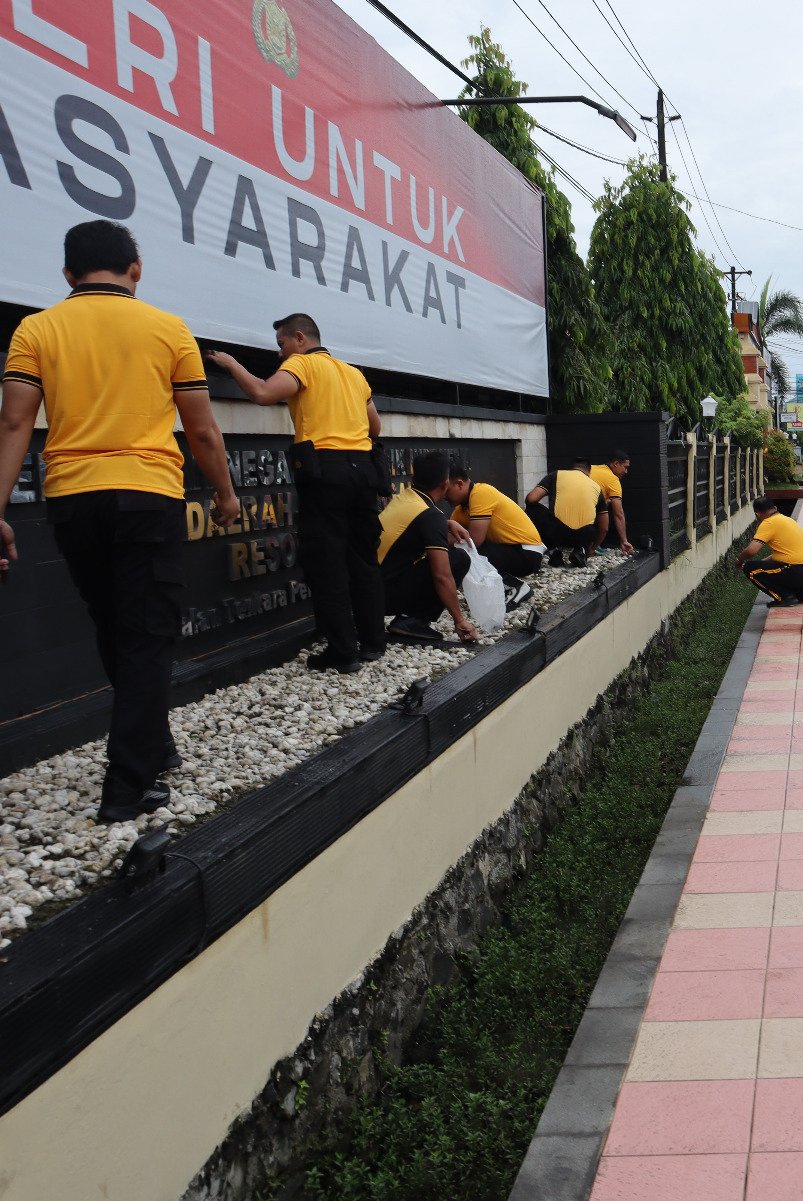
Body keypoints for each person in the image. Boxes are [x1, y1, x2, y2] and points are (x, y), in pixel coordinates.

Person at [0, 220, 241, 823]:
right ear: (136, 269)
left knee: (113, 624)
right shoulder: (167, 328)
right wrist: (226, 494)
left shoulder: (36, 329)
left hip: (72, 499)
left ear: (67, 275)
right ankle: (129, 786)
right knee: (147, 634)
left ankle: (153, 741)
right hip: (146, 496)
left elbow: (13, 425)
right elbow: (203, 429)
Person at [208, 312, 385, 674]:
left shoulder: (303, 365)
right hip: (364, 471)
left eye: (282, 344)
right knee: (364, 560)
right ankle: (373, 643)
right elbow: (375, 425)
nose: (280, 354)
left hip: (325, 472)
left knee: (327, 563)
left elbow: (261, 393)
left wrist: (231, 364)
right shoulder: (353, 373)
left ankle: (342, 652)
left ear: (300, 339)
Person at [378, 451, 478, 644]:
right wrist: (460, 620)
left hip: (368, 589)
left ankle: (409, 618)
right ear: (445, 484)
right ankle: (412, 621)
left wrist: (446, 523)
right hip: (381, 596)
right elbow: (442, 575)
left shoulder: (407, 498)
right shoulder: (430, 516)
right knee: (458, 559)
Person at [443, 460, 541, 610]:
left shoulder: (481, 493)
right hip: (511, 550)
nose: (443, 496)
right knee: (461, 550)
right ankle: (498, 589)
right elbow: (447, 538)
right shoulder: (461, 510)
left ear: (459, 484)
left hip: (527, 553)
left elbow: (475, 541)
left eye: (446, 490)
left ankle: (515, 587)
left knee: (467, 550)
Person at [738, 495, 803, 606]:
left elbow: (751, 551)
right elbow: (782, 553)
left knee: (750, 569)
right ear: (774, 507)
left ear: (757, 514)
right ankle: (802, 591)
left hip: (797, 570)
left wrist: (739, 560)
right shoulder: (787, 519)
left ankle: (784, 597)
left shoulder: (768, 522)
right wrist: (762, 563)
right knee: (772, 567)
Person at [525, 456, 604, 567]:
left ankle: (554, 551)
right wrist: (593, 548)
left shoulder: (555, 475)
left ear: (571, 469)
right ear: (589, 472)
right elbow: (604, 527)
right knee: (597, 520)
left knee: (532, 509)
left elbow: (531, 499)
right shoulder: (597, 488)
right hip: (583, 536)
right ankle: (581, 551)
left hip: (557, 534)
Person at [589, 449, 634, 557]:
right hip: (583, 514)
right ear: (616, 464)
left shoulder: (591, 468)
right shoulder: (613, 480)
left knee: (605, 502)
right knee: (605, 519)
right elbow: (618, 514)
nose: (626, 471)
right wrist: (624, 540)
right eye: (625, 467)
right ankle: (591, 548)